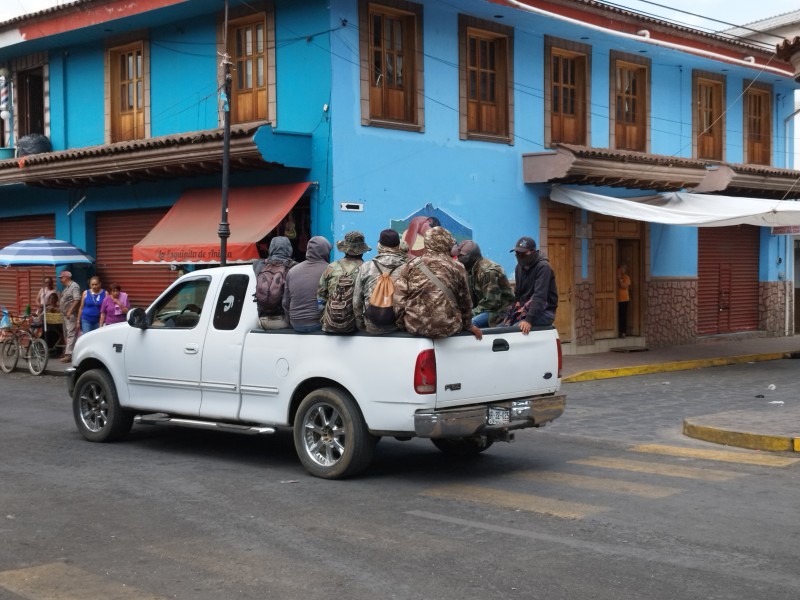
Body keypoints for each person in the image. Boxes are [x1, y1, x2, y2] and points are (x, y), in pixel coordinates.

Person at [394, 226, 482, 340]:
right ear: (447, 242)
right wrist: (468, 325)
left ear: (427, 242)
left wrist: (402, 324)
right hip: (449, 328)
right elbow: (465, 302)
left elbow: (399, 300)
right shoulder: (458, 267)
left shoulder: (410, 265)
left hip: (415, 327)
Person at [353, 228, 407, 334]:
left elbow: (356, 302)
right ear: (398, 246)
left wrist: (361, 326)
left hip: (371, 326)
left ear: (379, 246)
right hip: (398, 328)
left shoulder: (366, 267)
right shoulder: (407, 267)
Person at [452, 240, 515, 328]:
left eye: (460, 256)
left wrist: (467, 314)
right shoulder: (469, 270)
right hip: (483, 310)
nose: (458, 258)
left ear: (471, 256)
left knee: (468, 325)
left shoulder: (488, 271)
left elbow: (490, 303)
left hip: (498, 312)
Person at [503, 236, 558, 335]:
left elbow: (540, 296)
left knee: (513, 332)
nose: (519, 256)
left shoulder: (543, 267)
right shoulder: (519, 268)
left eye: (523, 254)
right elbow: (517, 295)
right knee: (501, 328)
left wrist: (529, 320)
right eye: (517, 253)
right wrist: (511, 313)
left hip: (544, 312)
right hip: (524, 310)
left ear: (533, 252)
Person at [318, 231, 370, 333]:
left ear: (344, 250)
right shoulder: (366, 269)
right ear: (362, 251)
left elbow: (320, 299)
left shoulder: (331, 267)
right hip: (354, 326)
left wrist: (327, 319)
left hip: (330, 323)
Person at [282, 235, 332, 333]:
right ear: (325, 251)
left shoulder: (292, 271)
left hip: (296, 324)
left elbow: (285, 302)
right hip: (319, 323)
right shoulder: (330, 269)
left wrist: (290, 323)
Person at [254, 236, 296, 329]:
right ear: (289, 249)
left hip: (263, 320)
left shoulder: (258, 265)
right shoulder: (294, 267)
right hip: (284, 320)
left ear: (271, 248)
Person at [58, 271, 81, 362]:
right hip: (65, 314)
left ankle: (69, 354)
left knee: (71, 334)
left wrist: (70, 310)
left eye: (61, 277)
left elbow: (77, 299)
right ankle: (67, 351)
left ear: (66, 277)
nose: (60, 279)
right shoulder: (66, 288)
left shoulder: (74, 286)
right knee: (67, 334)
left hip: (70, 315)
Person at [617, 263, 631, 338]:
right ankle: (618, 331)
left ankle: (623, 332)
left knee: (623, 316)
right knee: (618, 316)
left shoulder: (626, 277)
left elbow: (624, 286)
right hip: (617, 300)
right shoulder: (616, 276)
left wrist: (620, 279)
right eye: (620, 268)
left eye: (623, 269)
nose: (621, 270)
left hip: (624, 300)